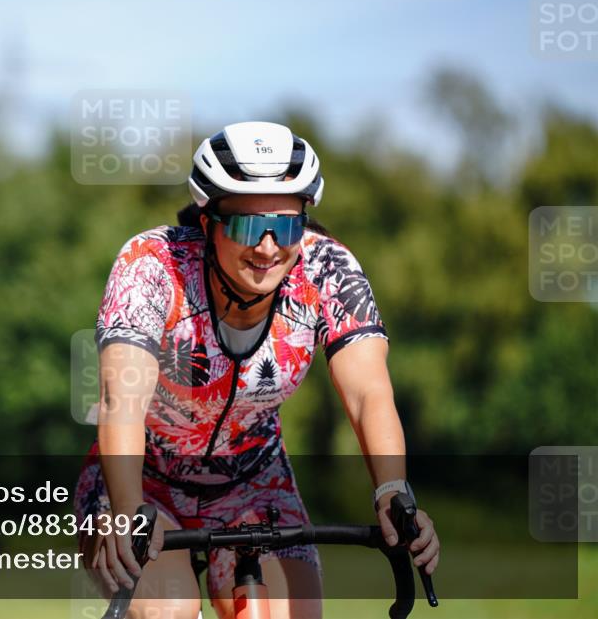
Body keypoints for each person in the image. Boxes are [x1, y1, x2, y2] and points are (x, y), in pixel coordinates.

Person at [73, 121, 440, 619]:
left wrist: (392, 490)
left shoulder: (327, 269)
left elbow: (368, 394)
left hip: (254, 480)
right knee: (169, 610)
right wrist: (128, 510)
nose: (268, 247)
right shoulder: (153, 265)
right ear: (208, 223)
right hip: (142, 479)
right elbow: (121, 402)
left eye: (286, 227)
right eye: (248, 227)